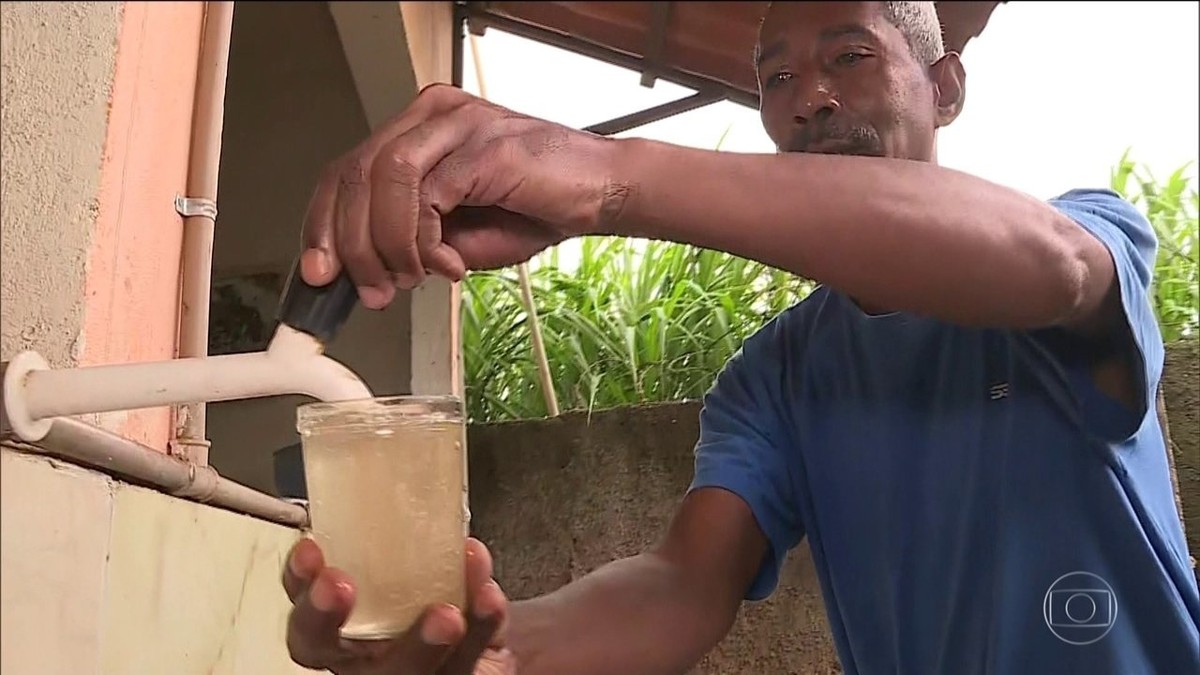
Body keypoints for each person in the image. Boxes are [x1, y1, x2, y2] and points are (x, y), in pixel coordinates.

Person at [280, 2, 1200, 673]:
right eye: (777, 79)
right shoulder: (775, 376)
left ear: (945, 87)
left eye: (850, 56)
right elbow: (684, 583)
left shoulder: (1084, 237)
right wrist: (489, 646)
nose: (810, 100)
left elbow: (1050, 263)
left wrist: (611, 180)